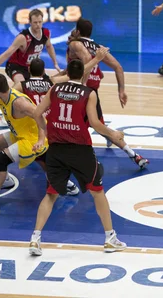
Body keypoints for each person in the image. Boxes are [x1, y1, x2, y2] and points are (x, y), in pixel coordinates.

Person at [28, 59, 127, 256]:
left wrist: (47, 131)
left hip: (56, 149)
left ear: (68, 73)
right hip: (80, 150)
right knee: (97, 192)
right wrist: (113, 133)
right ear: (84, 74)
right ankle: (110, 238)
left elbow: (37, 113)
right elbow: (94, 123)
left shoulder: (55, 89)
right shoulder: (88, 94)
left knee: (50, 194)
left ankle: (35, 239)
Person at [0, 73, 81, 216]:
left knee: (1, 159)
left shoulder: (19, 102)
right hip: (20, 133)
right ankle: (7, 180)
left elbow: (39, 115)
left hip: (32, 138)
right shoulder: (4, 95)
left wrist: (41, 140)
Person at [67, 19, 149, 169]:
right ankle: (133, 154)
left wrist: (82, 85)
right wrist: (121, 91)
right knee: (99, 125)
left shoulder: (75, 44)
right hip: (93, 92)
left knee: (70, 125)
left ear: (78, 31)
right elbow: (118, 67)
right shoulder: (98, 48)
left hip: (79, 91)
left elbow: (85, 58)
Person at [0, 9, 60, 85]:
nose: (38, 25)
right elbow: (6, 54)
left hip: (32, 67)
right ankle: (9, 98)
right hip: (16, 66)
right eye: (35, 22)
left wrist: (55, 63)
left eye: (40, 22)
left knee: (47, 84)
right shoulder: (22, 37)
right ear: (29, 22)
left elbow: (49, 46)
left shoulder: (46, 33)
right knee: (21, 84)